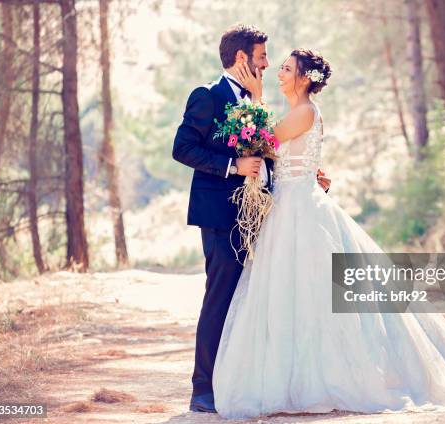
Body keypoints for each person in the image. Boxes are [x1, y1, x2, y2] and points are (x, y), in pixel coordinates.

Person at [211, 48, 445, 419]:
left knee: (313, 295)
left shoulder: (303, 112)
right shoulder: (299, 113)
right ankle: (300, 375)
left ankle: (327, 377)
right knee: (297, 295)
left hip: (301, 212)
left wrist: (255, 100)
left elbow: (263, 143)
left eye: (287, 69)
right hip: (292, 207)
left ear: (305, 78)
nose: (278, 74)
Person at [171, 25, 331, 413]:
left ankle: (244, 379)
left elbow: (266, 149)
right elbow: (182, 148)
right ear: (243, 59)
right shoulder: (208, 96)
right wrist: (231, 166)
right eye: (262, 57)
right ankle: (203, 389)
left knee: (255, 301)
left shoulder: (258, 100)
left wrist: (305, 174)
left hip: (262, 216)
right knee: (221, 298)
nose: (267, 63)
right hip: (221, 216)